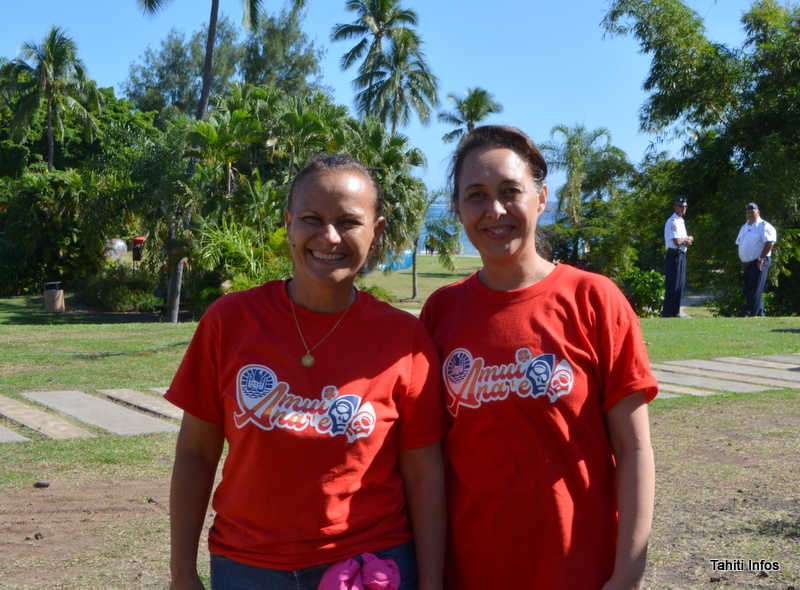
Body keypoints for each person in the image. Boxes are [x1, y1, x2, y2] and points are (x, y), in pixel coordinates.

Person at [166, 155, 446, 590]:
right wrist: (182, 573)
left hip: (370, 568)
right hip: (247, 569)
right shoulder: (230, 322)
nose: (329, 237)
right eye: (312, 219)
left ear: (378, 232)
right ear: (289, 224)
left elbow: (423, 474)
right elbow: (196, 454)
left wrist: (431, 583)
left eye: (350, 222)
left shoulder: (404, 339)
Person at [419, 125, 658, 590]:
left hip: (579, 569)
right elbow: (426, 461)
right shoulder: (440, 312)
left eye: (511, 191)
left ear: (541, 197)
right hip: (469, 570)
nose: (495, 210)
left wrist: (627, 573)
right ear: (457, 209)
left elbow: (634, 448)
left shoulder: (594, 300)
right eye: (476, 195)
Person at [735, 202, 777, 317]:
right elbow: (740, 244)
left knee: (755, 289)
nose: (750, 214)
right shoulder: (744, 227)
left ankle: (748, 312)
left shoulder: (764, 226)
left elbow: (770, 242)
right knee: (750, 288)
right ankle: (758, 313)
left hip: (759, 262)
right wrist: (742, 261)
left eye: (752, 212)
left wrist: (761, 259)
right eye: (748, 212)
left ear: (758, 212)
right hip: (747, 264)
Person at [662, 195, 693, 317]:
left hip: (681, 255)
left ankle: (676, 312)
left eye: (684, 206)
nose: (683, 208)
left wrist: (687, 239)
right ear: (675, 206)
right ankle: (669, 313)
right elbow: (677, 241)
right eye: (680, 206)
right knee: (673, 285)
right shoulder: (672, 221)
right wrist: (687, 239)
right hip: (674, 255)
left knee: (679, 284)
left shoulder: (681, 221)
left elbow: (684, 241)